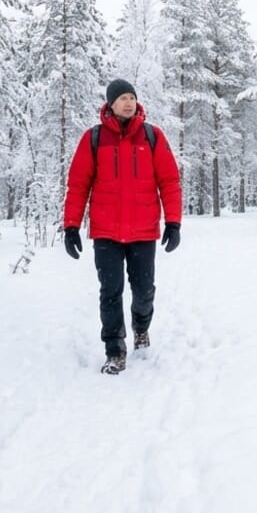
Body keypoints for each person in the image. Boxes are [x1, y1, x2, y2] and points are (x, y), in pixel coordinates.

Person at [62, 78, 182, 375]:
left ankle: (141, 327)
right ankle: (114, 350)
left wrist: (174, 222)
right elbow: (78, 185)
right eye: (122, 98)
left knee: (143, 292)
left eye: (132, 97)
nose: (128, 102)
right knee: (110, 292)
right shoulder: (94, 138)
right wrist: (71, 226)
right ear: (110, 104)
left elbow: (169, 181)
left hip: (143, 231)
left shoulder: (152, 136)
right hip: (106, 232)